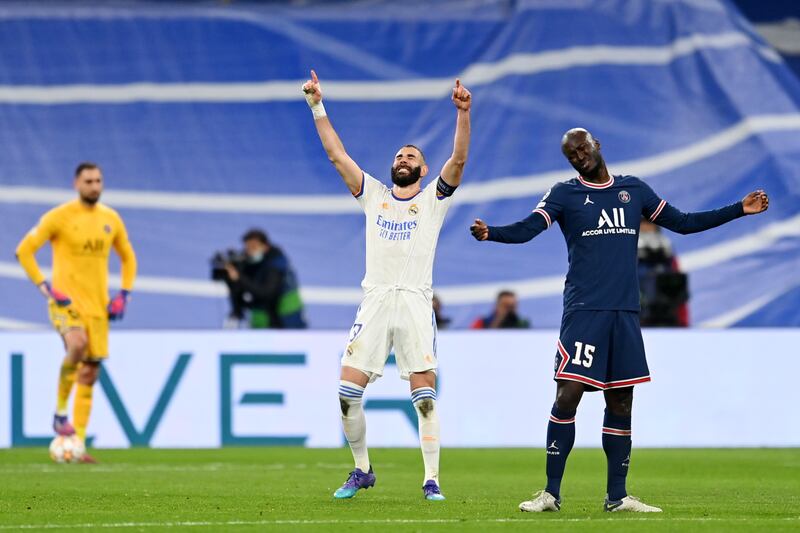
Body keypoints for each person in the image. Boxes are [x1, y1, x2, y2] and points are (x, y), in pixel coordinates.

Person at [470, 128, 768, 513]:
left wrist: (738, 209)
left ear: (597, 145)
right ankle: (550, 493)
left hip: (625, 312)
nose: (579, 156)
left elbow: (684, 222)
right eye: (571, 154)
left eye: (582, 148)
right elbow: (530, 228)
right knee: (568, 395)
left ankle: (617, 496)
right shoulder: (564, 193)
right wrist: (491, 232)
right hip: (584, 311)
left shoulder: (634, 190)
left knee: (622, 401)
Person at [302, 69, 471, 501]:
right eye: (399, 156)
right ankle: (362, 469)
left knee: (425, 398)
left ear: (423, 169)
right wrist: (317, 105)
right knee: (346, 393)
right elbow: (337, 156)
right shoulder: (374, 195)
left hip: (414, 303)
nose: (403, 160)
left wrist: (463, 113)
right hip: (375, 301)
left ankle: (431, 479)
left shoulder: (433, 199)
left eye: (411, 157)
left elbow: (459, 161)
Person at [16, 162, 137, 462]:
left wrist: (124, 293)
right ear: (76, 184)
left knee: (90, 372)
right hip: (66, 304)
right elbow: (24, 250)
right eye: (88, 181)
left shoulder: (111, 218)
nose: (95, 186)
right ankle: (59, 414)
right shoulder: (59, 217)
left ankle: (78, 443)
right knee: (77, 344)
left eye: (98, 181)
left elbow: (128, 256)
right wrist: (44, 286)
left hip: (98, 308)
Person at [221, 228, 307, 329]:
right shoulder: (250, 262)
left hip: (287, 318)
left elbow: (266, 293)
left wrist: (239, 277)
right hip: (262, 319)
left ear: (265, 246)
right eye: (247, 248)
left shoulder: (275, 265)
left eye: (254, 247)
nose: (250, 251)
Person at [637, 219, 688, 327]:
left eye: (650, 224)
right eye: (643, 224)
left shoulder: (665, 243)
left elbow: (674, 266)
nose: (647, 228)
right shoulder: (630, 243)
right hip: (641, 286)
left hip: (665, 289)